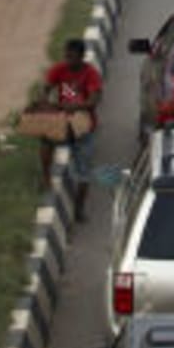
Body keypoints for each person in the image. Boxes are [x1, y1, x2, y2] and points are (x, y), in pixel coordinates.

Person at [38, 38, 103, 218]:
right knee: (45, 139)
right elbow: (46, 88)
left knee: (83, 172)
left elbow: (94, 101)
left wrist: (73, 107)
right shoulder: (59, 69)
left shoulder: (91, 74)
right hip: (63, 119)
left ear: (81, 57)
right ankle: (45, 177)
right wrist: (45, 103)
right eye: (66, 56)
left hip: (83, 123)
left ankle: (79, 210)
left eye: (72, 57)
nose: (68, 60)